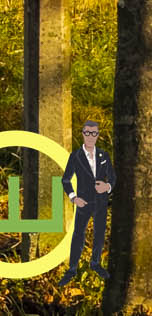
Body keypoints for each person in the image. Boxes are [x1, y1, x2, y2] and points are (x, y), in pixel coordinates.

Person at [60, 118, 113, 285]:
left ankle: (95, 263)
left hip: (101, 201)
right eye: (88, 133)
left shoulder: (104, 155)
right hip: (83, 201)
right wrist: (74, 198)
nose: (91, 136)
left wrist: (107, 186)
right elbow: (65, 180)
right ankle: (72, 269)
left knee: (99, 234)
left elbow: (112, 177)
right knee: (78, 234)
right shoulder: (75, 156)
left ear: (97, 135)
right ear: (83, 134)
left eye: (94, 133)